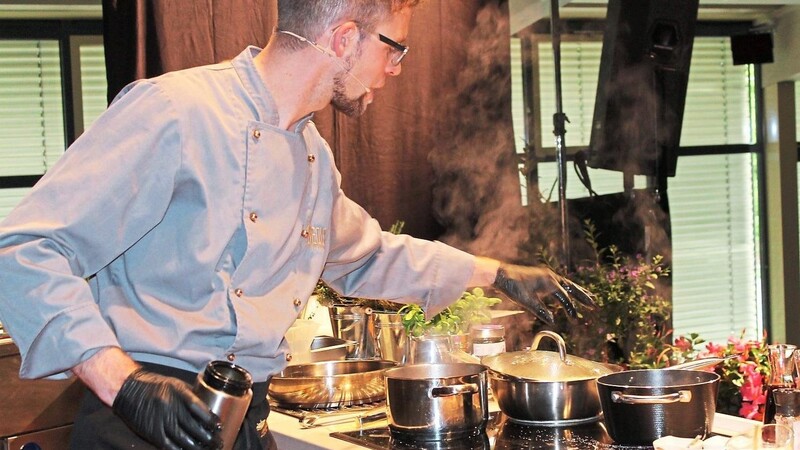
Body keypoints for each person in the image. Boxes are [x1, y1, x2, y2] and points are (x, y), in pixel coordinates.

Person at [0, 1, 594, 449]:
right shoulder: (175, 110)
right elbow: (24, 247)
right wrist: (123, 384)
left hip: (244, 419)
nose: (396, 69)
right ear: (342, 38)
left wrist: (495, 272)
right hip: (141, 419)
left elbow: (367, 254)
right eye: (395, 48)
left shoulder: (312, 154)